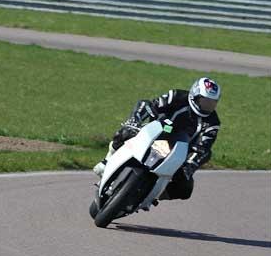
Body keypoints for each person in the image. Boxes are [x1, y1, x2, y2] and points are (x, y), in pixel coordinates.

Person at [93, 77, 222, 201]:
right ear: (194, 95)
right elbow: (151, 105)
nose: (207, 106)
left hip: (179, 152)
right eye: (205, 101)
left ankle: (156, 195)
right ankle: (107, 160)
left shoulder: (212, 122)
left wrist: (190, 165)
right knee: (125, 132)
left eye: (212, 103)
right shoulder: (177, 96)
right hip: (155, 132)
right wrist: (135, 120)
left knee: (185, 189)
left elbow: (205, 146)